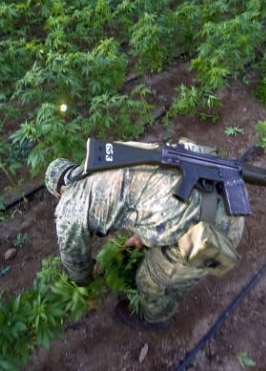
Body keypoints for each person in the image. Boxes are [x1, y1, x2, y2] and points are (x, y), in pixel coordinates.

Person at [45, 138, 245, 331]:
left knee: (147, 280)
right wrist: (142, 237)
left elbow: (76, 263)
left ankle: (157, 319)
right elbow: (145, 191)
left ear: (59, 193)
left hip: (214, 235)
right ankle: (175, 276)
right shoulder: (106, 157)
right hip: (229, 196)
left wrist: (84, 287)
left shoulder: (69, 208)